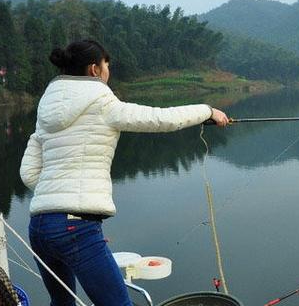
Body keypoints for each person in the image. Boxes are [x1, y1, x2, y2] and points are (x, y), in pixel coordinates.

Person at [19, 40, 228, 306]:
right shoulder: (103, 103)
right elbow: (162, 119)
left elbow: (28, 174)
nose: (109, 70)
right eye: (107, 64)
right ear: (95, 69)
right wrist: (207, 111)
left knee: (62, 304)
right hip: (77, 226)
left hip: (39, 227)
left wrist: (56, 200)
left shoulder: (45, 110)